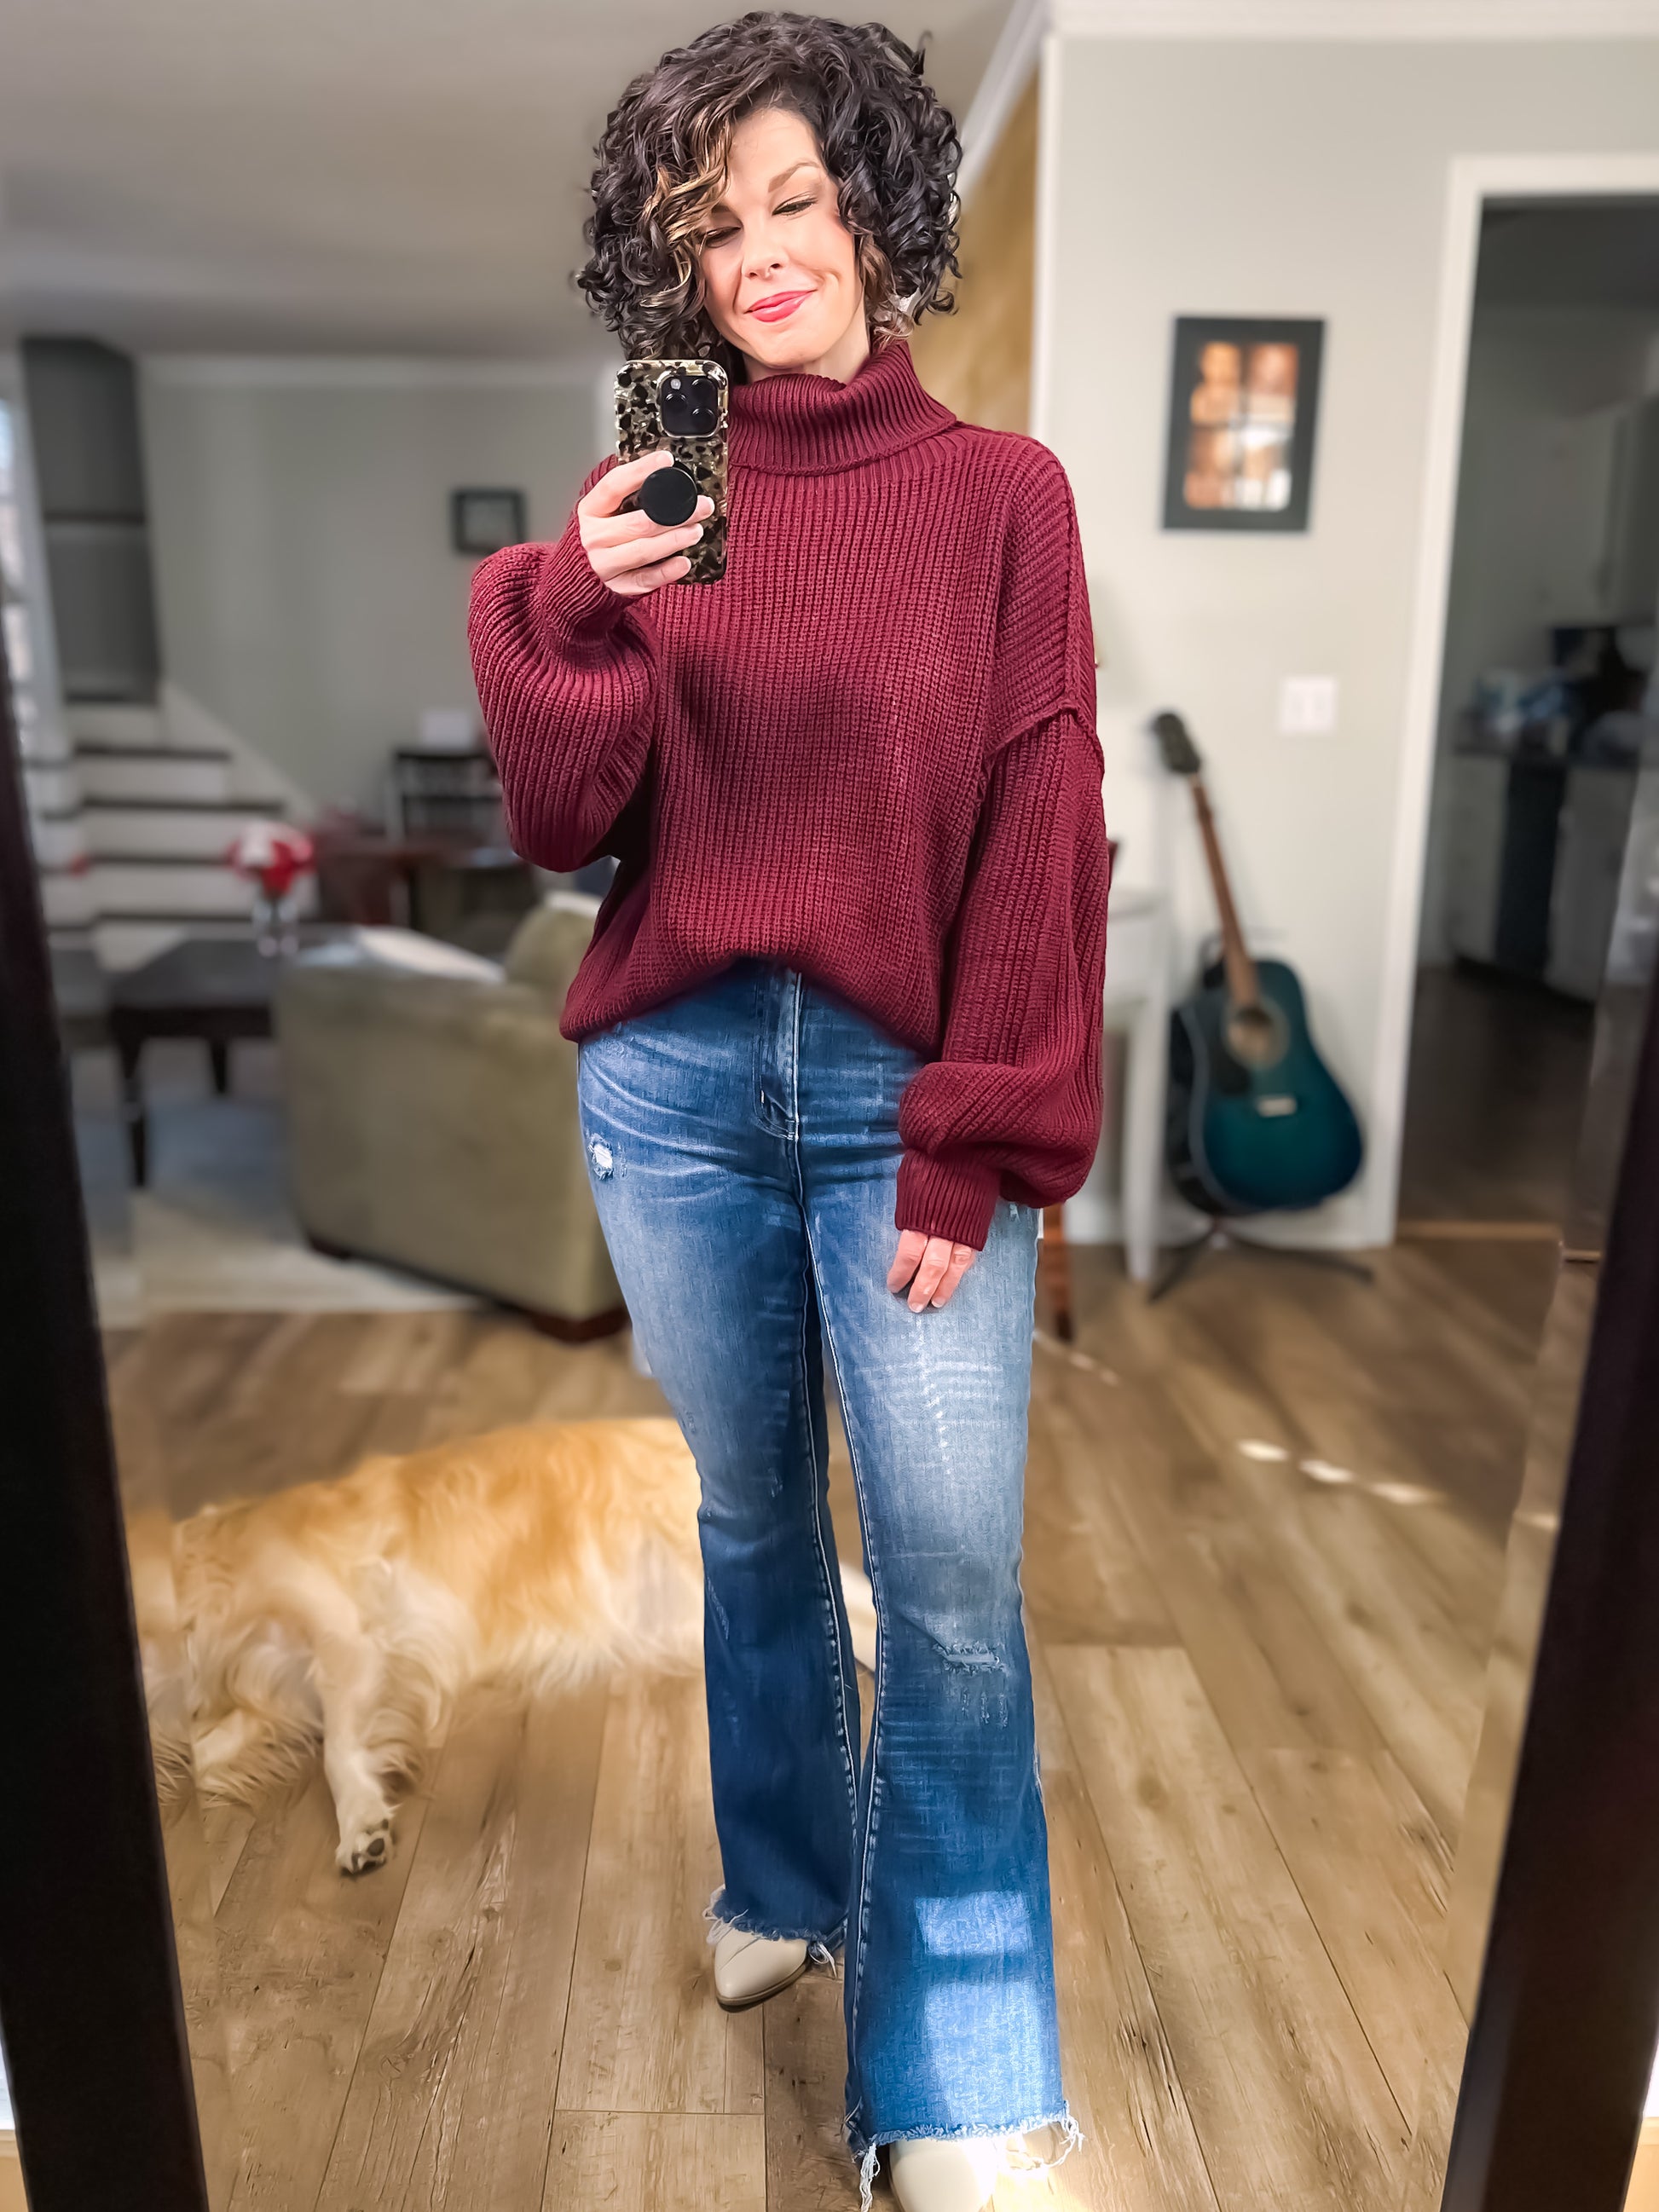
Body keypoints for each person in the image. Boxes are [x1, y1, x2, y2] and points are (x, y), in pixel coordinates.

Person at [468, 16, 1107, 2209]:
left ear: (871, 214)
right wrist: (577, 596)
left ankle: (954, 2079)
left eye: (793, 200)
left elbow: (1041, 822)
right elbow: (563, 818)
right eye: (707, 223)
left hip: (907, 1092)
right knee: (749, 1519)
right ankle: (781, 1874)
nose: (756, 252)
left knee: (947, 1585)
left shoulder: (1002, 498)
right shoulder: (663, 496)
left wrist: (978, 1128)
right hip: (673, 1082)